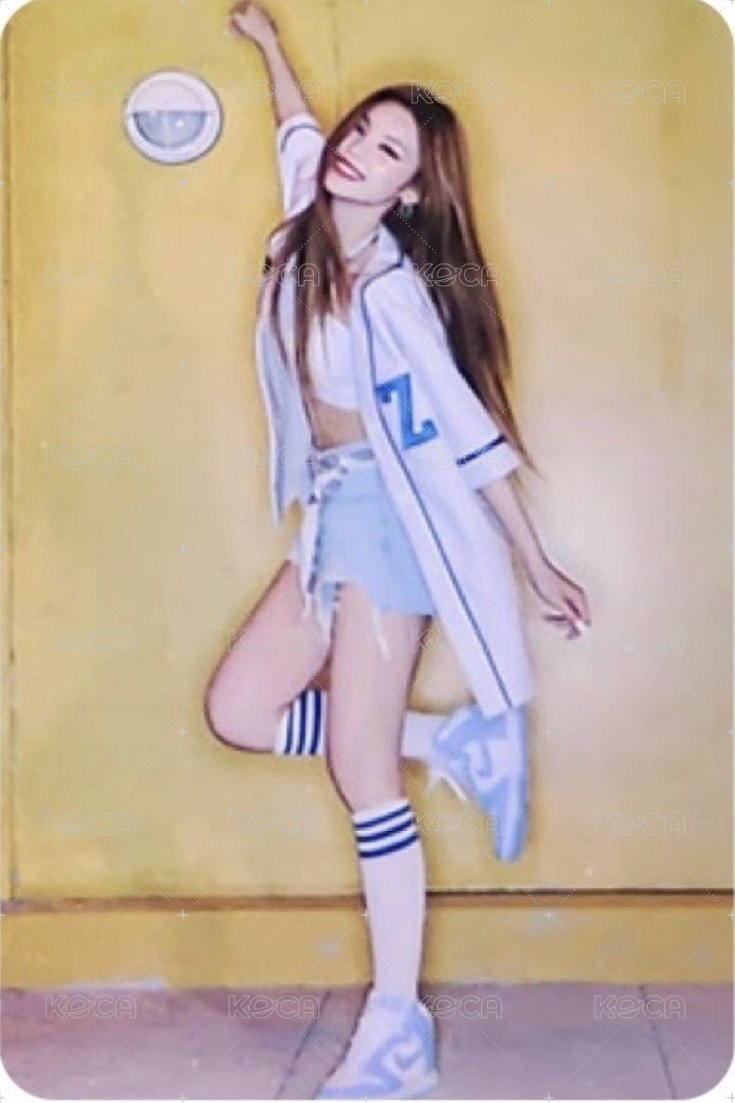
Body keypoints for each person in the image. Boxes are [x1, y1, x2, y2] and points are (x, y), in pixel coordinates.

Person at [204, 2, 591, 1097]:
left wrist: (533, 560)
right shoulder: (303, 225)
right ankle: (453, 742)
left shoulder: (393, 293)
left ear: (411, 191)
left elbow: (468, 433)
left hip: (388, 527)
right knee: (239, 710)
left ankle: (396, 1027)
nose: (353, 151)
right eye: (358, 132)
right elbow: (294, 130)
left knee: (360, 772)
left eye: (386, 151)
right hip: (328, 518)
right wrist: (270, 45)